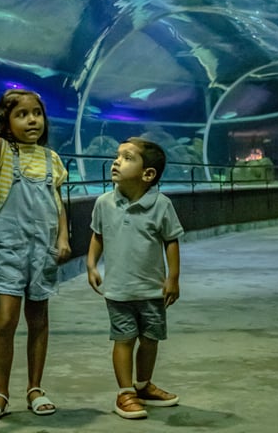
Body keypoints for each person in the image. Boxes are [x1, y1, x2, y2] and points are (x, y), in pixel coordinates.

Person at [0, 53, 71, 423]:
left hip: (43, 249)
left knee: (39, 319)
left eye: (37, 113)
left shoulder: (52, 159)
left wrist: (63, 238)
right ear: (7, 122)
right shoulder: (4, 153)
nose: (32, 120)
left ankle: (35, 388)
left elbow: (57, 201)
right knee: (6, 319)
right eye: (22, 114)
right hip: (10, 249)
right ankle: (0, 393)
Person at [87, 137, 184, 420]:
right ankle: (125, 391)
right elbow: (98, 235)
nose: (116, 162)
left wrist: (173, 278)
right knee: (124, 339)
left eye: (127, 158)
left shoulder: (161, 204)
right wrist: (91, 264)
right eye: (117, 156)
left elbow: (171, 241)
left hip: (152, 290)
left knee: (151, 339)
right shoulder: (104, 203)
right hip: (118, 290)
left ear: (148, 174)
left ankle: (143, 385)